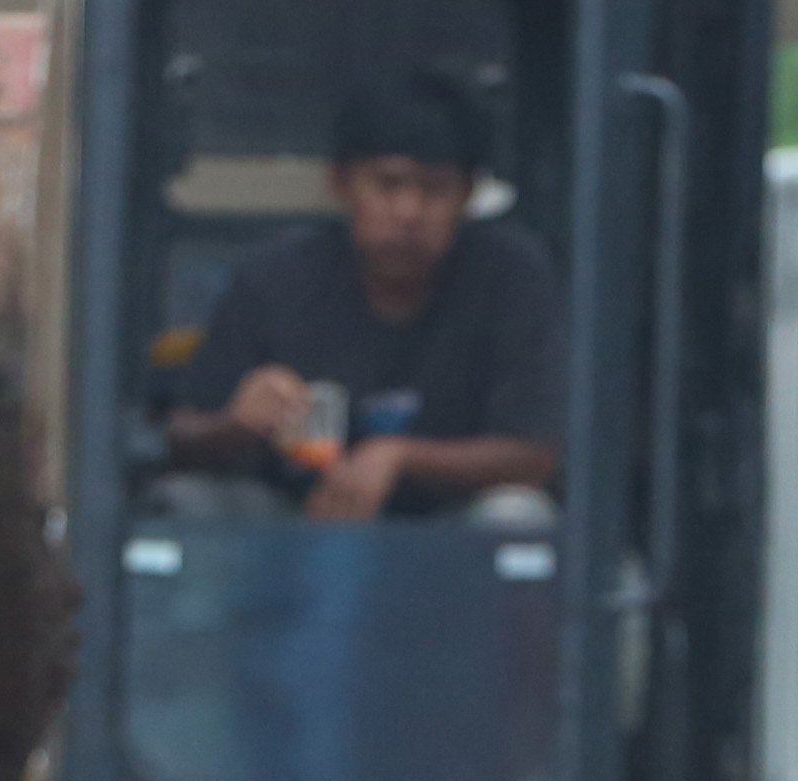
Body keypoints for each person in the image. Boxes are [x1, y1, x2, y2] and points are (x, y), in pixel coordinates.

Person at [160, 68, 562, 525]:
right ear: (341, 184)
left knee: (518, 516)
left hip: (450, 531)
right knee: (183, 504)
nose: (408, 213)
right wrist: (236, 424)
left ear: (467, 195)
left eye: (434, 190)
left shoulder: (511, 276)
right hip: (289, 523)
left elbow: (535, 453)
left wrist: (397, 457)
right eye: (388, 185)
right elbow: (180, 438)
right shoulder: (273, 278)